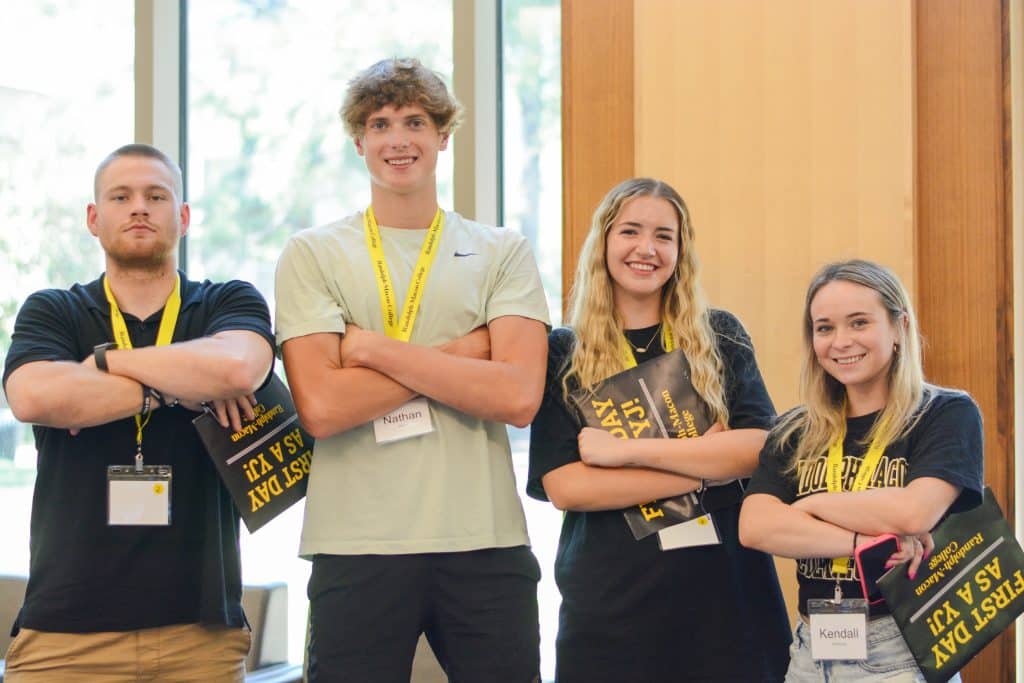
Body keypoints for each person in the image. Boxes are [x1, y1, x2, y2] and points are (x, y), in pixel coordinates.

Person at [274, 58, 549, 682]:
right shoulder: (313, 253)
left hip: (484, 539)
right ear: (359, 141)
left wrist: (370, 351)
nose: (398, 139)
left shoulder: (501, 250)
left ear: (443, 135)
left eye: (415, 121)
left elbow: (518, 395)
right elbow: (320, 406)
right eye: (380, 123)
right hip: (356, 545)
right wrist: (465, 353)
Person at [2, 143, 275, 682]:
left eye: (157, 195)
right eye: (121, 196)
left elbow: (239, 371)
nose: (140, 208)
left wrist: (108, 365)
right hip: (64, 638)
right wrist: (175, 387)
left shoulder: (226, 301)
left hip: (199, 638)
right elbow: (34, 397)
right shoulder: (53, 309)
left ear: (184, 216)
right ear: (94, 218)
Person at [527, 177, 791, 682]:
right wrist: (704, 467)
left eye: (664, 236)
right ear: (603, 242)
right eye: (630, 231)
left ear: (681, 250)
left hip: (725, 599)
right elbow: (568, 486)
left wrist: (621, 453)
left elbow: (757, 447)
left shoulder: (721, 335)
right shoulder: (564, 352)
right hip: (614, 606)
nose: (646, 248)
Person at [740, 259, 984, 682]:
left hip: (900, 649)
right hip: (809, 652)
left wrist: (809, 504)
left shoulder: (945, 413)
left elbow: (913, 513)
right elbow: (755, 526)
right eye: (824, 328)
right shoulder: (796, 429)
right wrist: (861, 542)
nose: (840, 342)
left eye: (858, 323)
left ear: (899, 327)